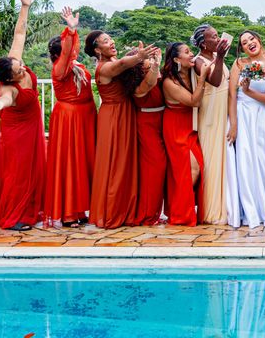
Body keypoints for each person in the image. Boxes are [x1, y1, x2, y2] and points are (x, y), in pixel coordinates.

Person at [0, 0, 46, 231]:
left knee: (34, 169)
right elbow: (7, 100)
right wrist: (0, 104)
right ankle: (12, 217)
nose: (22, 68)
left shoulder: (14, 61)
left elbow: (19, 34)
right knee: (18, 173)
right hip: (16, 132)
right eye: (18, 71)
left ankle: (31, 210)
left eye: (19, 65)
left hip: (32, 126)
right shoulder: (8, 88)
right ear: (9, 78)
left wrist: (25, 6)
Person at [85, 30, 156, 229]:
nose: (111, 42)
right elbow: (123, 64)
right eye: (106, 41)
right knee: (115, 164)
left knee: (126, 163)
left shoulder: (113, 59)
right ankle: (111, 212)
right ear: (97, 49)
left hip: (126, 112)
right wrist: (139, 56)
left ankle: (126, 210)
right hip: (113, 117)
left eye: (110, 39)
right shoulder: (105, 67)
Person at [44, 7, 96, 228]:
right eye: (71, 47)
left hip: (85, 116)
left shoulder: (77, 66)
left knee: (83, 163)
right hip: (70, 119)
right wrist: (71, 31)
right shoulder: (60, 68)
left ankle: (80, 208)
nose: (74, 50)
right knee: (70, 164)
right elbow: (67, 53)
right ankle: (67, 213)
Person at [227, 31, 265, 228]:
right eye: (244, 42)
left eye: (251, 39)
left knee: (264, 162)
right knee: (246, 162)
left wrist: (249, 90)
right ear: (241, 48)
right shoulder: (239, 64)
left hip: (263, 118)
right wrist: (233, 125)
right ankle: (248, 209)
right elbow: (232, 95)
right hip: (242, 115)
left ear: (259, 40)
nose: (249, 43)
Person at [162, 42, 212, 226]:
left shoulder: (189, 72)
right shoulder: (169, 82)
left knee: (197, 166)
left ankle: (184, 209)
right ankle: (179, 213)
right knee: (190, 170)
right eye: (187, 52)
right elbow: (193, 101)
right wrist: (203, 78)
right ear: (176, 59)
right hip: (175, 126)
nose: (191, 54)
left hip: (190, 126)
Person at [119, 48, 167, 226]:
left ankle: (155, 211)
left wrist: (156, 63)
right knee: (155, 169)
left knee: (159, 170)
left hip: (162, 121)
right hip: (147, 125)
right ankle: (147, 215)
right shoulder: (138, 86)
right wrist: (154, 66)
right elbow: (150, 84)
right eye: (143, 59)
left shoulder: (152, 70)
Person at [191, 24, 231, 224]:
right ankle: (211, 210)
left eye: (217, 36)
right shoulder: (198, 61)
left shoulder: (214, 57)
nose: (218, 39)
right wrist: (221, 57)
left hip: (223, 109)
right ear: (202, 43)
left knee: (224, 158)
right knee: (212, 159)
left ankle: (226, 203)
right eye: (213, 37)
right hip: (210, 113)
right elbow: (215, 82)